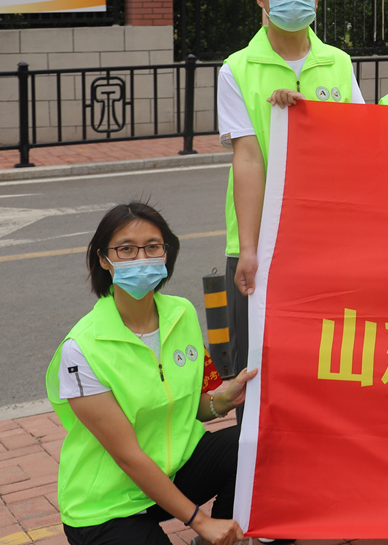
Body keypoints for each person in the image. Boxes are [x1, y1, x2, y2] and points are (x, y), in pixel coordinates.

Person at [47, 202, 258, 545]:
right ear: (104, 259)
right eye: (126, 249)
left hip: (175, 470)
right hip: (110, 502)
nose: (141, 258)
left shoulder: (181, 313)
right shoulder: (81, 349)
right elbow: (127, 456)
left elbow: (187, 407)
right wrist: (201, 521)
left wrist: (223, 401)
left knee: (256, 446)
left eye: (152, 246)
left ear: (166, 252)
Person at [220, 0, 364, 376]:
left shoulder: (338, 62)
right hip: (261, 241)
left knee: (326, 358)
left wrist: (311, 118)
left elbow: (356, 142)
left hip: (326, 238)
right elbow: (248, 159)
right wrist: (248, 249)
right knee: (255, 364)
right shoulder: (237, 68)